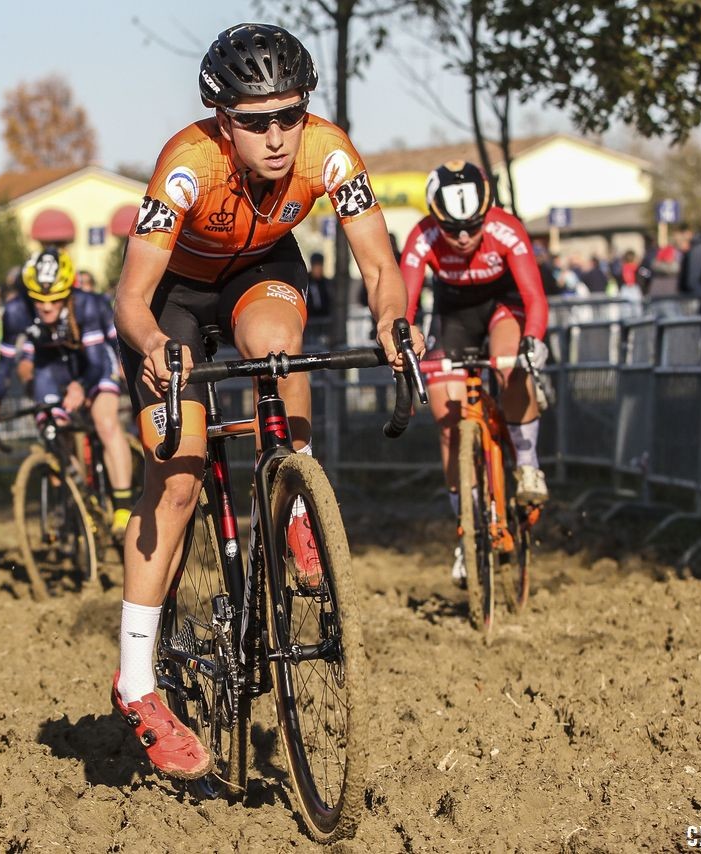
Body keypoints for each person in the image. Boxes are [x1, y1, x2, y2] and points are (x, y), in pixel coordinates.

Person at [111, 22, 421, 779]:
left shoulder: (329, 150)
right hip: (174, 297)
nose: (278, 137)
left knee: (279, 347)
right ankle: (137, 684)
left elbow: (380, 263)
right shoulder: (186, 165)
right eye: (256, 122)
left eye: (291, 115)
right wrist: (154, 345)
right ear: (224, 120)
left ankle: (294, 503)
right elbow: (131, 298)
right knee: (178, 482)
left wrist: (391, 317)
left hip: (261, 270)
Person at [399, 161, 550, 586]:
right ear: (435, 217)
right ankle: (466, 530)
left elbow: (534, 298)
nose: (464, 237)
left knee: (509, 362)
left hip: (502, 309)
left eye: (472, 226)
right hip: (452, 317)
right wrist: (405, 344)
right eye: (453, 229)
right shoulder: (422, 236)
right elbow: (406, 307)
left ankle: (527, 461)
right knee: (447, 420)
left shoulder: (507, 229)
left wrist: (533, 340)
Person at [0, 247, 135, 534]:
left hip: (91, 363)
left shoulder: (88, 305)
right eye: (39, 300)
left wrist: (81, 387)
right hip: (50, 367)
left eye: (54, 299)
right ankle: (80, 500)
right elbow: (4, 364)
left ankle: (123, 504)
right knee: (53, 429)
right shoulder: (15, 312)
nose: (47, 307)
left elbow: (95, 362)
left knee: (104, 421)